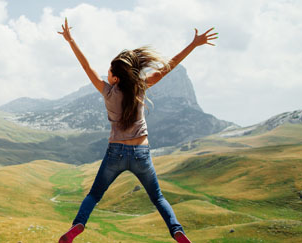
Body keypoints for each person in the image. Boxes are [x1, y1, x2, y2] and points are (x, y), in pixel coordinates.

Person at [56, 18, 217, 243]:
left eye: (109, 71)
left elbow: (85, 66)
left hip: (115, 153)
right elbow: (167, 67)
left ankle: (78, 225)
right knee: (158, 198)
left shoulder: (107, 91)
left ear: (115, 77)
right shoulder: (140, 87)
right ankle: (177, 230)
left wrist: (70, 40)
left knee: (94, 195)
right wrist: (193, 44)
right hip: (141, 153)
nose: (106, 73)